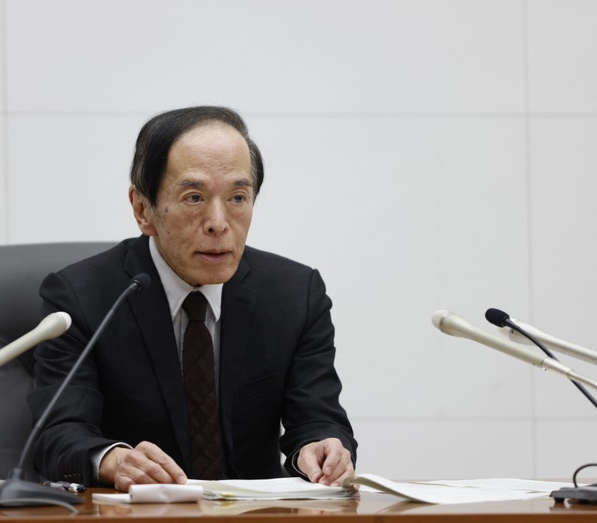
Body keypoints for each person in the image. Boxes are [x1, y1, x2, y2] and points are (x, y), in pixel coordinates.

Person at [29, 105, 356, 492]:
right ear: (142, 209)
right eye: (194, 197)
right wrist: (113, 459)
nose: (218, 222)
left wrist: (322, 447)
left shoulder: (295, 295)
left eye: (237, 197)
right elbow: (57, 433)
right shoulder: (82, 297)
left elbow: (317, 418)